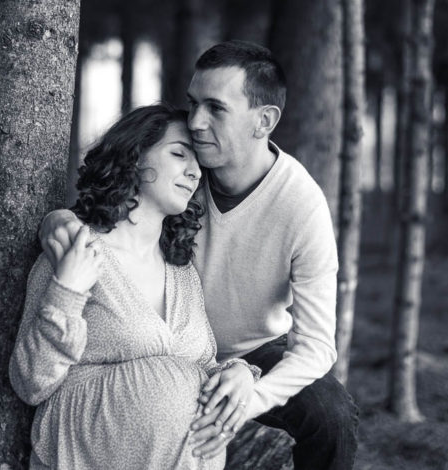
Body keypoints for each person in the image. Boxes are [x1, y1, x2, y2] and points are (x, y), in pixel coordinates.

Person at [39, 40, 359, 469]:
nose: (195, 122)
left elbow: (316, 346)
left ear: (263, 120)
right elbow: (109, 210)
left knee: (330, 414)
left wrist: (249, 396)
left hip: (254, 350)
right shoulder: (182, 172)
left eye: (215, 108)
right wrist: (57, 221)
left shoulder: (302, 207)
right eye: (192, 104)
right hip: (160, 342)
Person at [10, 104, 261, 469]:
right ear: (133, 156)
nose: (193, 173)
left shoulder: (181, 272)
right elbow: (31, 381)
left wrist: (238, 373)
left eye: (199, 166)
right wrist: (66, 292)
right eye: (178, 154)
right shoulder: (75, 250)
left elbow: (202, 365)